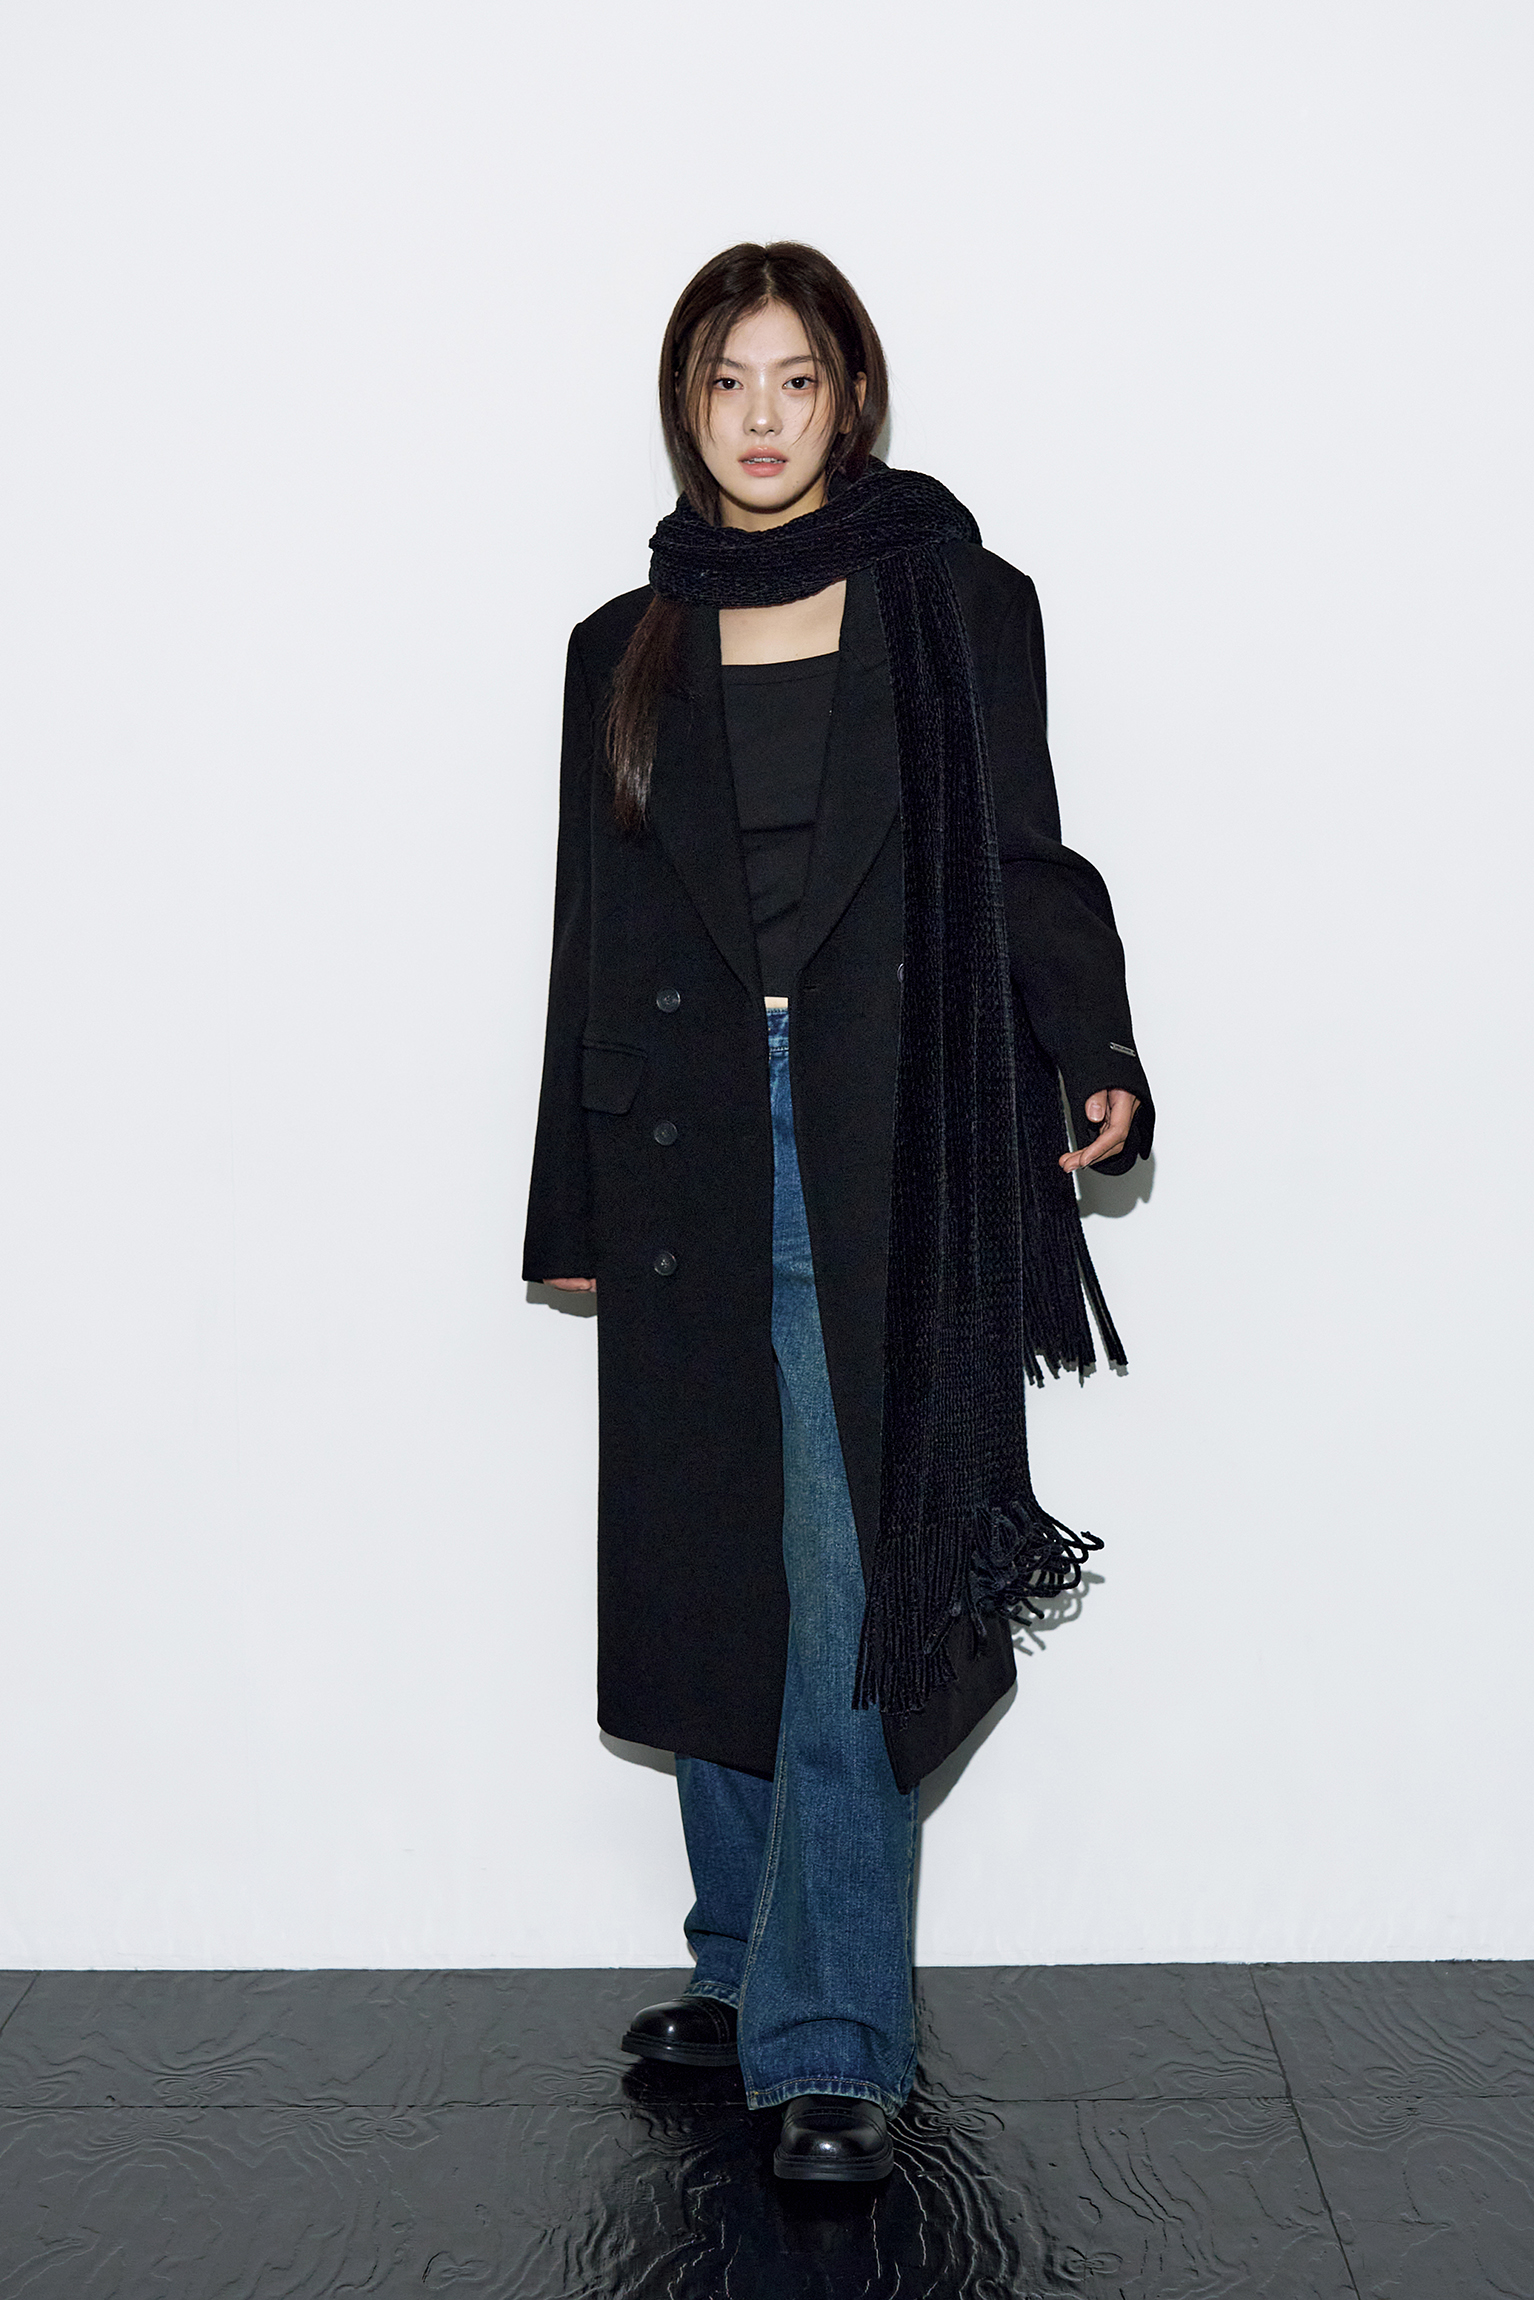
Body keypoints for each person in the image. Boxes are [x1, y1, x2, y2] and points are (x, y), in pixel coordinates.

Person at [524, 242, 1152, 2184]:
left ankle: (831, 2030)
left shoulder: (953, 601)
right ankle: (741, 1969)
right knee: (713, 1559)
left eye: (795, 378)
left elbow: (1023, 846)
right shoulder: (621, 641)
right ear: (684, 405)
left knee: (842, 1572)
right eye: (728, 380)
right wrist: (564, 1193)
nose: (762, 416)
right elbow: (591, 932)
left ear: (848, 397)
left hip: (888, 1125)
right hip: (685, 1141)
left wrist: (1089, 1045)